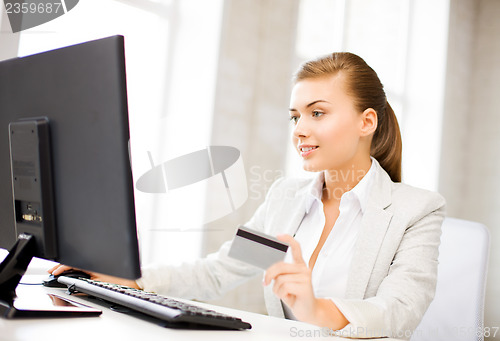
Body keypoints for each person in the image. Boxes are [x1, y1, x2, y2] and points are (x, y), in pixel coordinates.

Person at [50, 52, 445, 339]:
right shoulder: (287, 199)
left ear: (366, 121)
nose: (300, 129)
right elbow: (219, 271)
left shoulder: (415, 210)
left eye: (317, 113)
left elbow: (399, 313)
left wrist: (314, 309)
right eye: (295, 116)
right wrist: (130, 281)